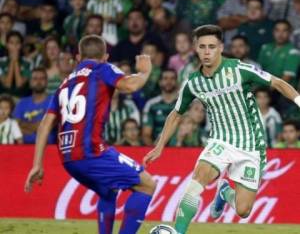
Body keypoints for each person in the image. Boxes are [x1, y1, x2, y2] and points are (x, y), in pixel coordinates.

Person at [143, 25, 300, 234]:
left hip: (251, 144)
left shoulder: (238, 69)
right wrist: (160, 145)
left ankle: (225, 192)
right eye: (202, 47)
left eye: (212, 47)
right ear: (195, 49)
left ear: (220, 47)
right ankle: (178, 231)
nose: (207, 52)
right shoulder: (193, 82)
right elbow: (176, 113)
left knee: (244, 210)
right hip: (220, 140)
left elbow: (278, 83)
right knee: (198, 179)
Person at [24, 35, 156, 234]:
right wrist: (145, 72)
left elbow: (45, 125)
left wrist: (37, 164)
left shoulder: (64, 84)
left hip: (68, 158)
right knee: (147, 185)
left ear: (78, 57)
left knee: (108, 192)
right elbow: (130, 85)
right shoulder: (102, 68)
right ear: (105, 56)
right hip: (92, 152)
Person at [13, 68, 56, 144]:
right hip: (23, 147)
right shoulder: (22, 102)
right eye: (35, 79)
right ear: (30, 82)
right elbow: (14, 126)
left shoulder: (54, 101)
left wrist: (24, 124)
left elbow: (50, 125)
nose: (38, 82)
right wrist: (38, 126)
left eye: (42, 78)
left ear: (47, 82)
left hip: (48, 147)